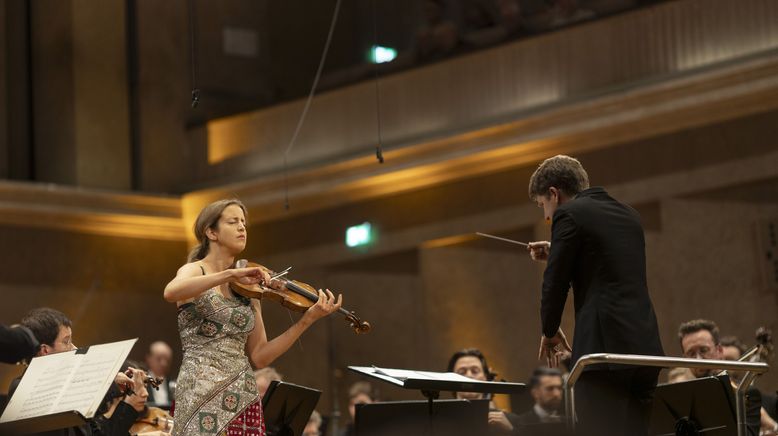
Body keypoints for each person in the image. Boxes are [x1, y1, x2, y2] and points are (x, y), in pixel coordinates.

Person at [163, 199, 342, 436]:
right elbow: (171, 292)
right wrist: (229, 274)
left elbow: (260, 356)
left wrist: (307, 320)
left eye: (244, 223)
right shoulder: (197, 270)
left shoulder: (249, 289)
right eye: (233, 221)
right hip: (200, 390)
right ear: (211, 232)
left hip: (244, 393)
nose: (242, 228)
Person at [527, 155, 664, 436]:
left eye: (543, 205)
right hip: (645, 349)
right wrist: (557, 251)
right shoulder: (629, 214)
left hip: (605, 351)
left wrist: (549, 330)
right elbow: (605, 262)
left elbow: (555, 282)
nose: (546, 216)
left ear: (554, 193)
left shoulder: (568, 214)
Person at [9, 307, 157, 435]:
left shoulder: (69, 389)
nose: (74, 348)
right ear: (45, 350)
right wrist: (108, 385)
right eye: (66, 341)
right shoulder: (21, 388)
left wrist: (130, 404)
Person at [678, 319, 778, 436]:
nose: (698, 359)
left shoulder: (745, 394)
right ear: (684, 358)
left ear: (719, 351)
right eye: (691, 354)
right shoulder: (680, 400)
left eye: (704, 350)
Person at [446, 348, 520, 434]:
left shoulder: (511, 420)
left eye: (475, 371)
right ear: (450, 379)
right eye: (462, 372)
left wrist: (511, 431)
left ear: (485, 378)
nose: (469, 375)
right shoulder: (438, 419)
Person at [145, 341, 175, 410]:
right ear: (148, 358)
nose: (164, 363)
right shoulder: (142, 381)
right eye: (159, 359)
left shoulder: (174, 383)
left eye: (167, 360)